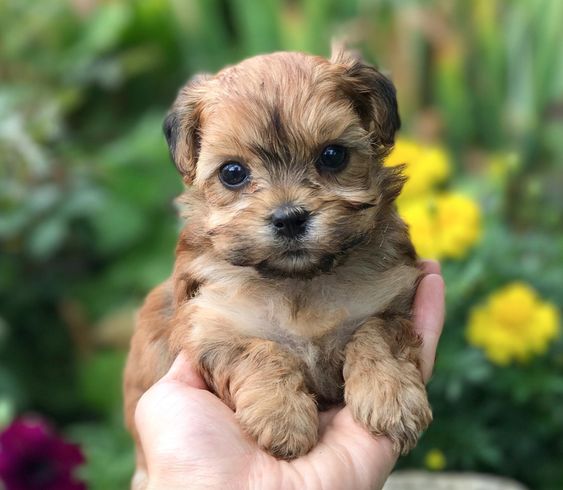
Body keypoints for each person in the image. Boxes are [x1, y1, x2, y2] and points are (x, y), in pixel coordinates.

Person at [135, 261, 445, 490]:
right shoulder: (206, 278)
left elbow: (394, 310)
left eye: (332, 167)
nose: (288, 206)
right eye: (234, 173)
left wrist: (378, 356)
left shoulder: (383, 265)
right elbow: (208, 337)